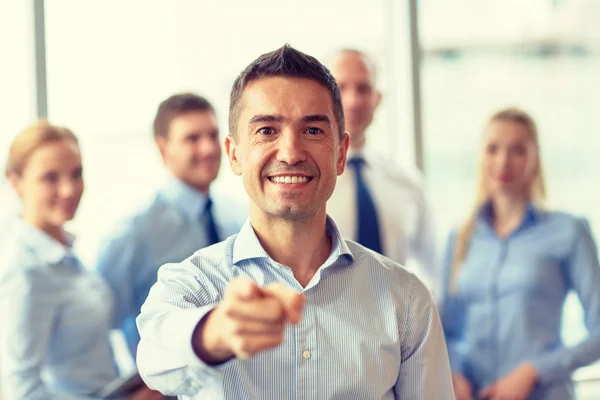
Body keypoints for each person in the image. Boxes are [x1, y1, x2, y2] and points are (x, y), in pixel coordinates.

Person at [136, 44, 453, 399]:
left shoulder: (406, 300)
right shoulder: (192, 283)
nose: (290, 153)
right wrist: (215, 332)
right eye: (267, 130)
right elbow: (153, 356)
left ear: (341, 153)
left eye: (313, 131)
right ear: (234, 153)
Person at [441, 108, 600, 400]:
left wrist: (533, 371)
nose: (503, 161)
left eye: (517, 150)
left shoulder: (569, 231)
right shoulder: (460, 238)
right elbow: (446, 329)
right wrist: (454, 372)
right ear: (481, 156)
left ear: (535, 158)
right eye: (493, 149)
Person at [0, 121, 160, 399]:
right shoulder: (26, 271)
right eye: (50, 178)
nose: (69, 190)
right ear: (16, 182)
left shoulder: (62, 250)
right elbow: (22, 388)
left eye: (76, 174)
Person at [95, 93, 244, 359]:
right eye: (192, 138)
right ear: (164, 149)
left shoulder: (236, 215)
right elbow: (100, 324)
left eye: (212, 135)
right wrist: (131, 387)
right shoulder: (133, 232)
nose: (209, 148)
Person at [327, 49, 439, 294]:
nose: (353, 100)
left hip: (398, 324)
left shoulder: (407, 182)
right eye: (341, 88)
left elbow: (432, 269)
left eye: (363, 89)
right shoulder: (306, 183)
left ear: (378, 98)